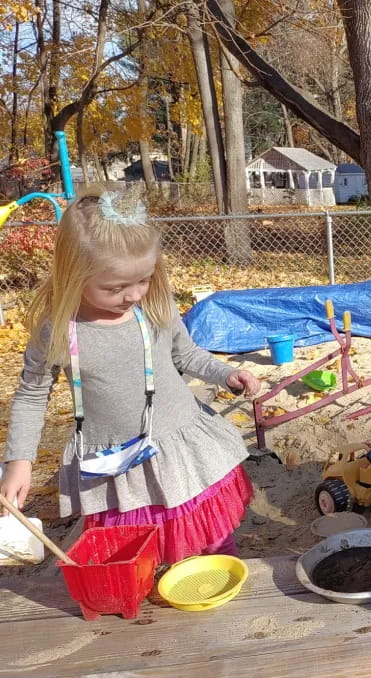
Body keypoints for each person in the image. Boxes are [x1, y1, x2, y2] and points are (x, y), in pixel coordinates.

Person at [0, 189, 261, 563]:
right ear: (74, 274)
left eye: (143, 280)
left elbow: (185, 354)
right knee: (140, 552)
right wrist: (19, 461)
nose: (132, 295)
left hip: (180, 447)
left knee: (211, 536)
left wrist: (226, 373)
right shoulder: (60, 328)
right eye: (114, 288)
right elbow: (31, 394)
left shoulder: (154, 304)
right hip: (117, 465)